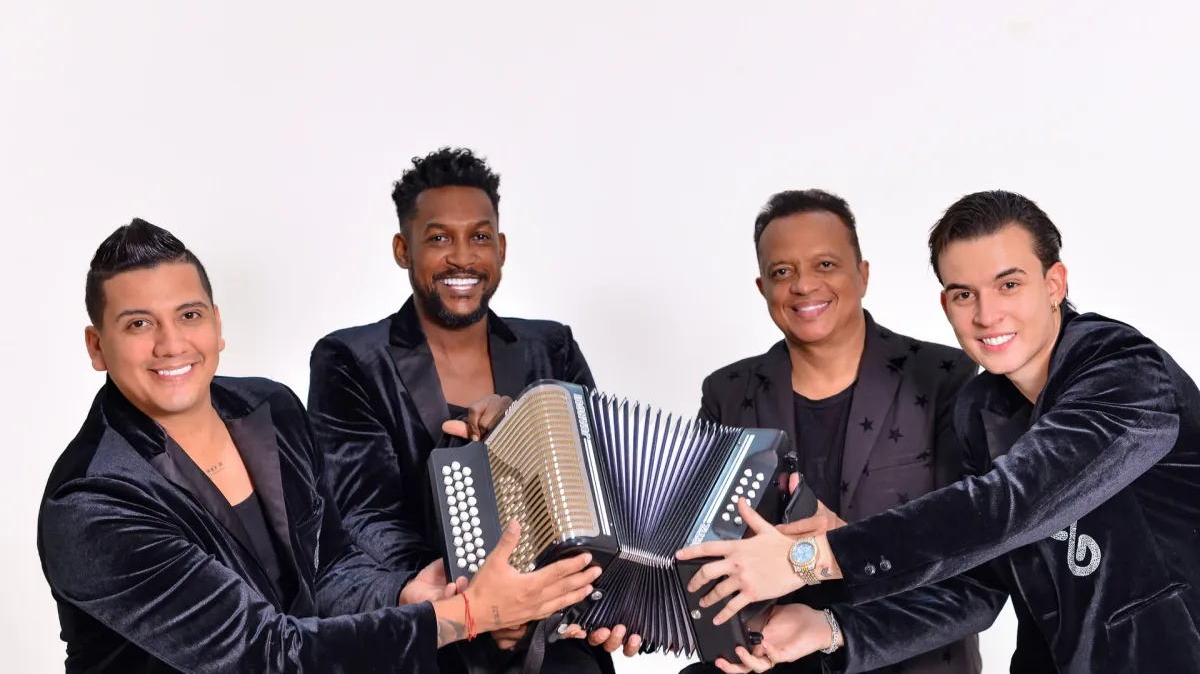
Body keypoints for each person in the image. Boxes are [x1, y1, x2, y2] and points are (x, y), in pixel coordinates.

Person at [36, 218, 603, 673]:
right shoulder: (91, 503)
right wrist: (467, 615)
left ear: (217, 325)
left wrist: (407, 592)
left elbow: (329, 567)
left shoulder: (271, 407)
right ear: (97, 347)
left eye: (188, 315)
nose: (171, 344)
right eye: (138, 324)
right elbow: (264, 655)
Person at [676, 190, 1200, 674]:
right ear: (946, 305)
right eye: (964, 294)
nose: (987, 314)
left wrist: (810, 559)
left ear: (1054, 284)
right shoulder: (980, 409)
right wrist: (829, 628)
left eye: (1009, 284)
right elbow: (973, 584)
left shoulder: (1126, 370)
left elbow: (1011, 502)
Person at [307, 147, 636, 674]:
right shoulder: (350, 358)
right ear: (402, 250)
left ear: (501, 248)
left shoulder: (551, 348)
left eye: (480, 238)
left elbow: (599, 490)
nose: (462, 258)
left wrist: (575, 604)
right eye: (439, 239)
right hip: (435, 629)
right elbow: (363, 514)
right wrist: (475, 599)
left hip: (555, 630)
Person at [680, 190, 980, 674]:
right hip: (770, 662)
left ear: (863, 274)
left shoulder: (945, 378)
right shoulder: (727, 393)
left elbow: (969, 564)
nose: (803, 285)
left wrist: (835, 548)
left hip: (910, 662)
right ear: (762, 288)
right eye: (783, 272)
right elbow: (700, 549)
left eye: (825, 264)